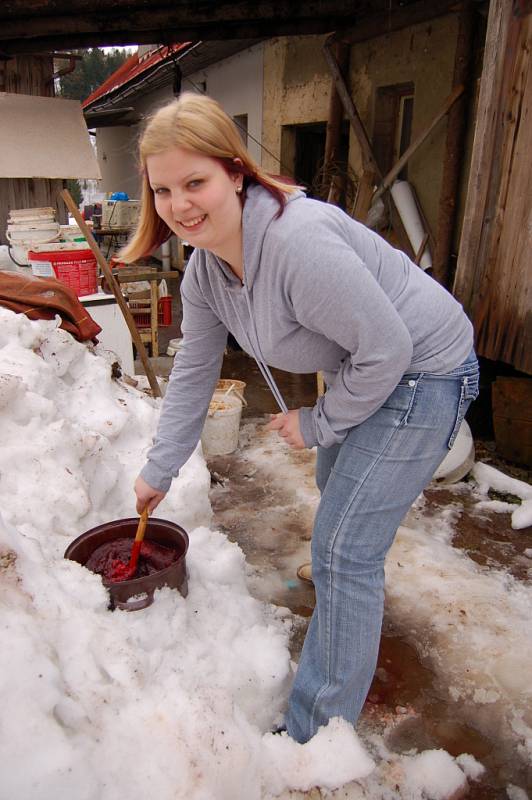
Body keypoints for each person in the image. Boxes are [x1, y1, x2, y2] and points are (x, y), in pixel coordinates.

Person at [121, 92, 479, 745]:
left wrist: (318, 423)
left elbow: (389, 348)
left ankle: (315, 738)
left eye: (195, 181)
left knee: (347, 550)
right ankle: (343, 592)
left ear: (235, 171)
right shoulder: (205, 272)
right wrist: (158, 469)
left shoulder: (296, 242)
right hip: (369, 368)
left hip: (424, 369)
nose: (180, 205)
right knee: (338, 509)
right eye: (164, 189)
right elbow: (195, 373)